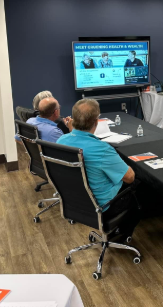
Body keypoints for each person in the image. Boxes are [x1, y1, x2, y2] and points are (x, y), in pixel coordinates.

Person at [57, 99, 140, 236]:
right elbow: (129, 178)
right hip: (104, 206)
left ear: (73, 119)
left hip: (73, 202)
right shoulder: (102, 149)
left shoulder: (61, 141)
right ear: (96, 122)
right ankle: (122, 235)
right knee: (139, 183)